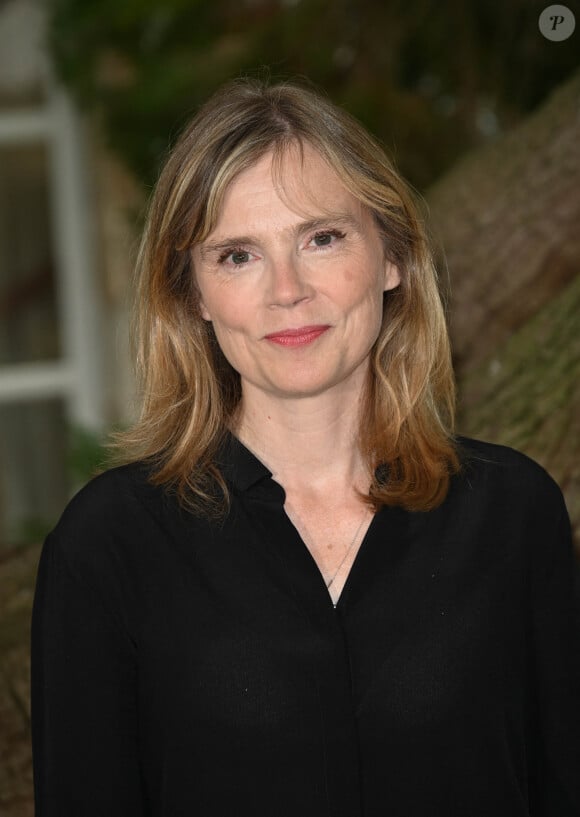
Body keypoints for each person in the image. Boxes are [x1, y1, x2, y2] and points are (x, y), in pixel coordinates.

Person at [31, 78, 580, 817]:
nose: (287, 290)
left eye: (321, 238)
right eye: (237, 256)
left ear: (392, 258)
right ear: (192, 295)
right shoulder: (108, 547)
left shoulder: (514, 515)